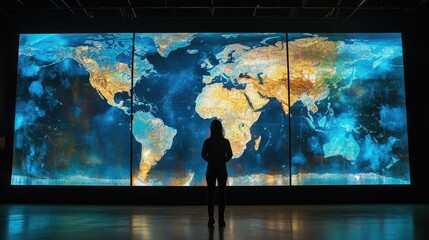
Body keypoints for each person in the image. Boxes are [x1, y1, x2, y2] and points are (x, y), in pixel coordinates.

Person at [201, 119, 233, 228]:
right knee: (222, 194)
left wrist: (210, 160)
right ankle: (221, 219)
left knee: (210, 194)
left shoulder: (208, 142)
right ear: (221, 128)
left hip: (211, 169)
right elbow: (230, 154)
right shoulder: (225, 142)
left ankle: (211, 219)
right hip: (222, 169)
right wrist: (222, 161)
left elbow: (203, 154)